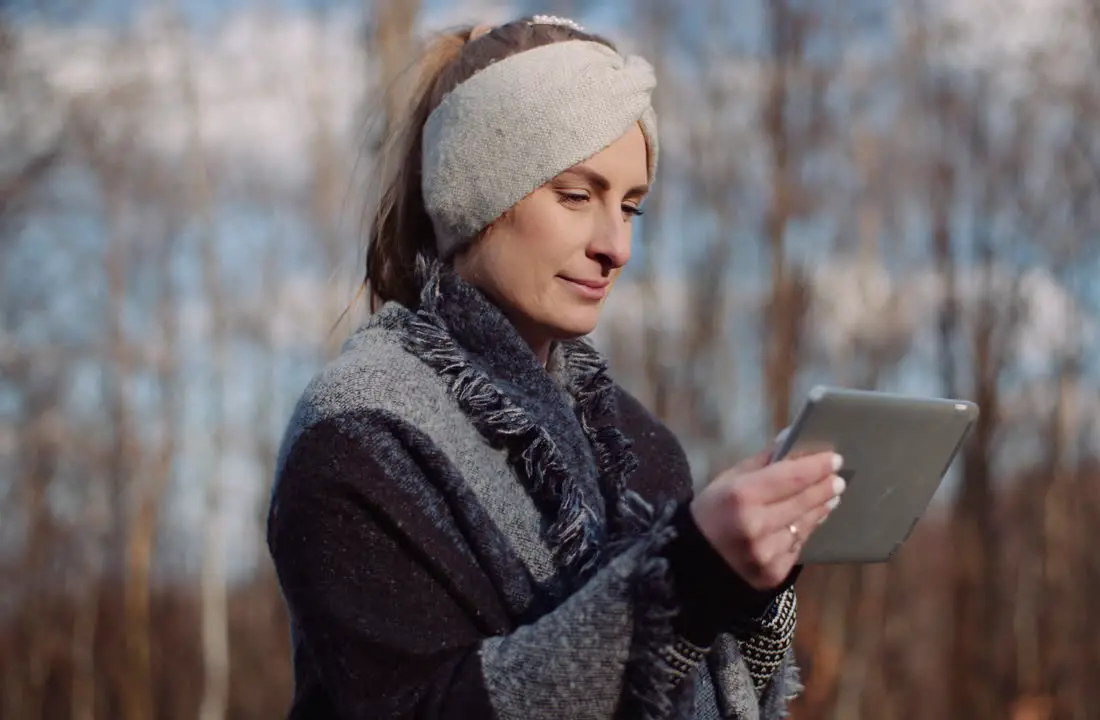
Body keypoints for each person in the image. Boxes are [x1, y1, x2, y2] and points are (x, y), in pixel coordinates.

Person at [267, 14, 846, 720]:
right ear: (476, 194)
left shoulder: (642, 449)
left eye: (632, 208)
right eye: (578, 196)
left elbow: (726, 694)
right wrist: (686, 577)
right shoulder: (359, 439)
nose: (617, 246)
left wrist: (751, 585)